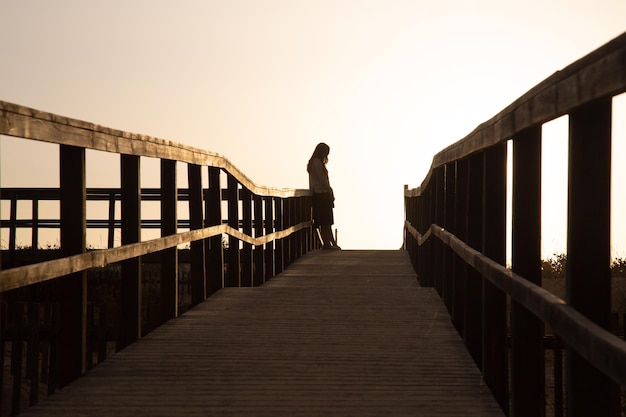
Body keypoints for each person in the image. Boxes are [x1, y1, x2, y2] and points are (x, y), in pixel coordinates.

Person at [307, 142, 340, 250]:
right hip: (321, 194)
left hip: (319, 194)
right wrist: (330, 191)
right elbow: (322, 180)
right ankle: (329, 242)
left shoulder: (313, 162)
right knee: (326, 221)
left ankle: (329, 242)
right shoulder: (317, 163)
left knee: (324, 221)